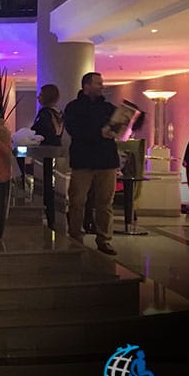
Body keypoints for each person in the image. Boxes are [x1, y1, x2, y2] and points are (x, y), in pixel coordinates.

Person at [63, 72, 119, 255]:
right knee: (77, 201)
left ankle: (104, 238)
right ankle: (75, 236)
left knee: (105, 202)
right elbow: (74, 130)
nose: (102, 86)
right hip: (83, 160)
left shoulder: (108, 108)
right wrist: (99, 133)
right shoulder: (73, 108)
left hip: (106, 160)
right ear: (87, 85)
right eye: (98, 83)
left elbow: (117, 128)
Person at [31, 83, 64, 228]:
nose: (38, 97)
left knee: (45, 185)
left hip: (44, 153)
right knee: (54, 184)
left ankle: (48, 216)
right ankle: (54, 218)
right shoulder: (59, 113)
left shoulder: (44, 113)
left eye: (41, 94)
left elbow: (37, 131)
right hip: (57, 151)